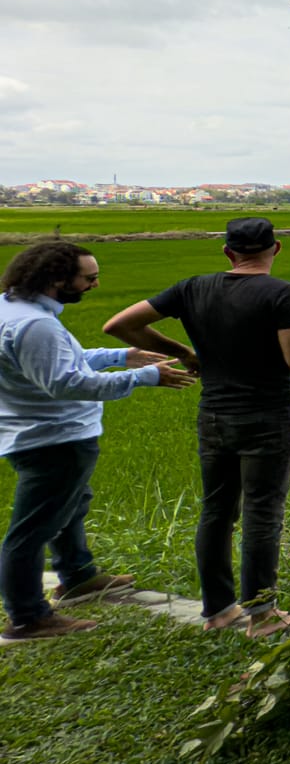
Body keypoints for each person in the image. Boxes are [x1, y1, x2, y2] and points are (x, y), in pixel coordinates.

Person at [105, 218, 290, 640]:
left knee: (217, 510)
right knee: (261, 514)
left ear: (227, 252)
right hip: (267, 418)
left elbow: (119, 324)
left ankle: (218, 609)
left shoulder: (191, 288)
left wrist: (184, 351)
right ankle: (264, 616)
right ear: (276, 249)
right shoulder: (282, 293)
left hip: (214, 416)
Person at [0, 240, 194, 643]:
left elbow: (52, 362)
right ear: (56, 278)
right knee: (32, 529)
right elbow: (64, 382)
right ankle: (27, 618)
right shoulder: (34, 324)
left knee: (70, 506)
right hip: (53, 438)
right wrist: (145, 377)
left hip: (36, 432)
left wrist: (119, 357)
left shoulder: (15, 309)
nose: (95, 284)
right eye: (88, 278)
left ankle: (77, 576)